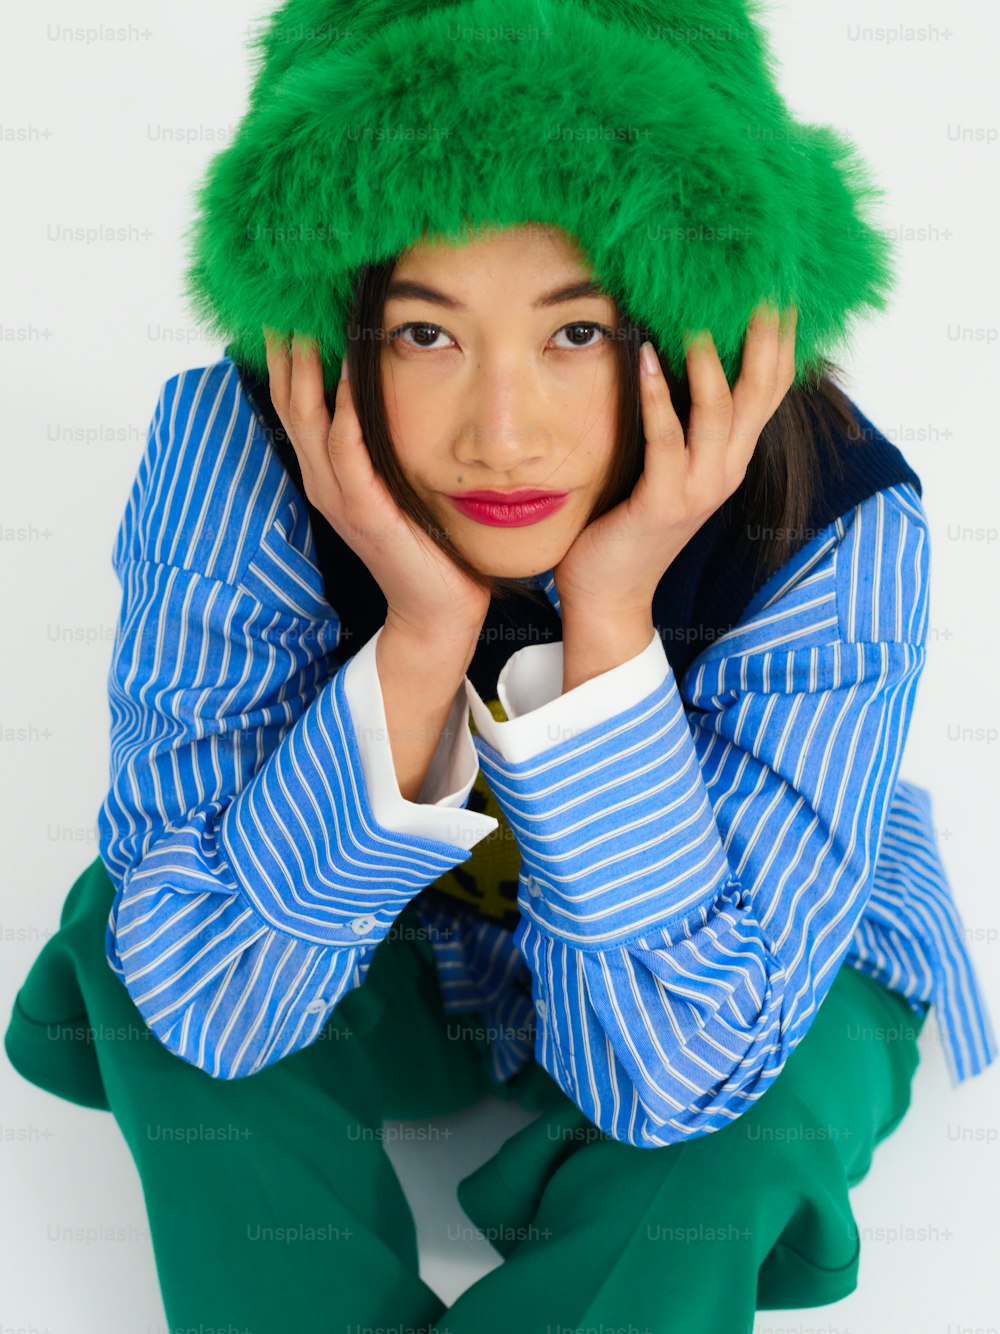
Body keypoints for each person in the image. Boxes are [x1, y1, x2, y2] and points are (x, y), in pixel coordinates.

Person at [6, 3, 996, 1331]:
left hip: (738, 961)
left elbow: (680, 1072)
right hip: (407, 952)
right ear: (336, 325)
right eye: (426, 334)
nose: (503, 433)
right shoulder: (238, 449)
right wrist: (421, 635)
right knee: (144, 945)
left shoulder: (834, 514)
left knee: (726, 1135)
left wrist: (611, 622)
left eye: (576, 332)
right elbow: (214, 1005)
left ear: (686, 313)